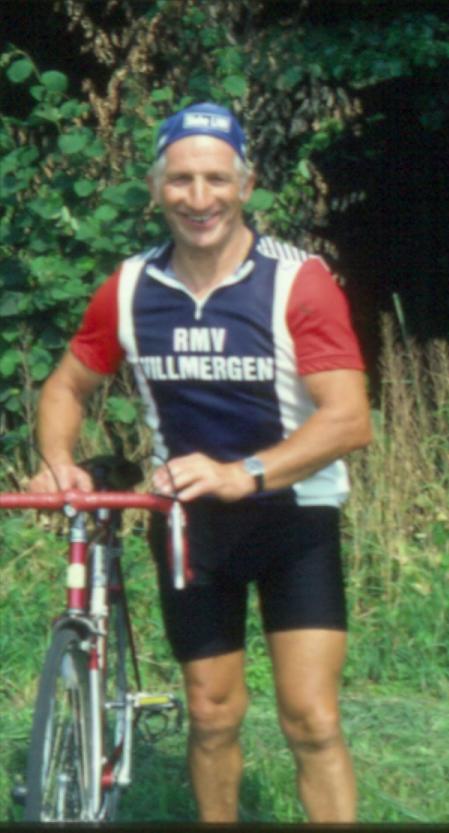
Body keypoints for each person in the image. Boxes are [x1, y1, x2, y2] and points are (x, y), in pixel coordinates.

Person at [28, 102, 371, 822]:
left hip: (293, 518)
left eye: (216, 179)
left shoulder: (298, 281)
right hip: (191, 525)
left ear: (245, 185)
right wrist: (58, 460)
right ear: (156, 189)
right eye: (181, 180)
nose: (199, 197)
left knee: (311, 719)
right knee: (212, 714)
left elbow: (348, 419)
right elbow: (65, 386)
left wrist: (243, 473)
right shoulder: (129, 287)